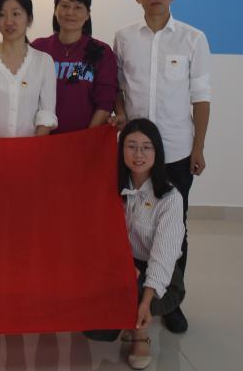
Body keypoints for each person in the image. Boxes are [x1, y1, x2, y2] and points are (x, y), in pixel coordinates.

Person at [112, 0, 211, 334]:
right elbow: (117, 89)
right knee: (128, 225)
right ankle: (127, 292)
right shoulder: (123, 38)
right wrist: (122, 115)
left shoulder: (192, 39)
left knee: (175, 229)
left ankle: (170, 301)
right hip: (133, 153)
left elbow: (201, 98)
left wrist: (199, 147)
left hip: (177, 151)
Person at [85, 119, 185, 371]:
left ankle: (140, 333)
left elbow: (164, 256)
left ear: (156, 152)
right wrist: (121, 267)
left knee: (139, 290)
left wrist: (145, 300)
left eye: (146, 147)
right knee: (94, 330)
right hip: (119, 266)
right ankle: (126, 318)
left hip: (158, 275)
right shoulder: (109, 188)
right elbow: (97, 238)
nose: (138, 154)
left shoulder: (170, 198)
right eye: (131, 146)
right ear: (121, 151)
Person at [31, 0, 118, 133]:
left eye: (78, 7)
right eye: (65, 6)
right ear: (55, 10)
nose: (70, 12)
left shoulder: (100, 51)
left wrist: (86, 139)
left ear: (87, 14)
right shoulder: (39, 47)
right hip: (41, 138)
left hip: (84, 140)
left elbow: (105, 103)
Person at [0, 0, 56, 137]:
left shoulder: (44, 61)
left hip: (32, 148)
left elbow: (46, 114)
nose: (8, 21)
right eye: (2, 15)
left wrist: (34, 147)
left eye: (16, 14)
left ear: (29, 19)